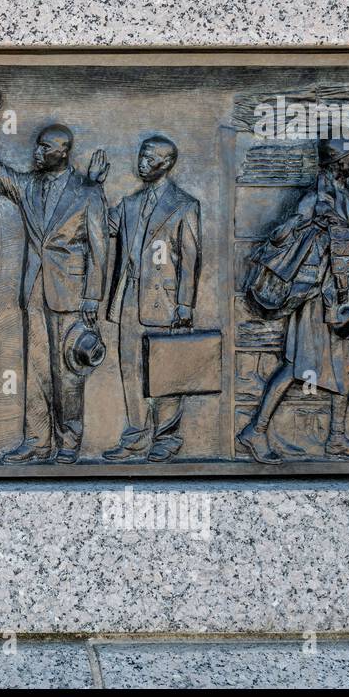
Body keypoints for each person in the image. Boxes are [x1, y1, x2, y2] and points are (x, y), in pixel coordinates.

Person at [237, 135, 349, 464]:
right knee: (296, 366)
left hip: (345, 297)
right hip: (317, 299)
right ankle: (255, 432)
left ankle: (337, 438)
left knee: (346, 365)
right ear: (336, 162)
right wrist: (307, 230)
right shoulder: (315, 198)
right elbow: (284, 236)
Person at [0, 88, 109, 464]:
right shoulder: (29, 185)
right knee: (35, 372)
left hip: (72, 295)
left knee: (68, 373)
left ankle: (69, 443)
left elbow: (100, 251)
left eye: (45, 148)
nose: (37, 152)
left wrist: (92, 299)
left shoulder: (88, 193)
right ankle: (37, 441)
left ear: (63, 152)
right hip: (34, 292)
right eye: (36, 146)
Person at [102, 136, 200, 463]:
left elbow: (190, 258)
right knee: (130, 370)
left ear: (166, 163)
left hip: (165, 302)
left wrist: (185, 304)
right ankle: (135, 436)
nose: (142, 163)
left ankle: (166, 438)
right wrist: (94, 185)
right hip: (129, 296)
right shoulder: (129, 204)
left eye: (149, 157)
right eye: (140, 155)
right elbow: (101, 224)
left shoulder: (184, 205)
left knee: (165, 370)